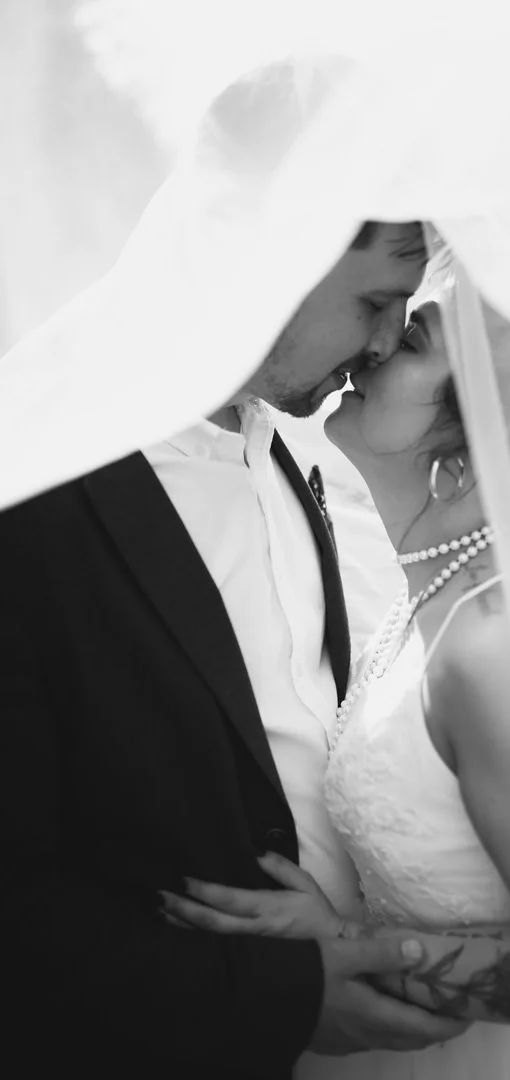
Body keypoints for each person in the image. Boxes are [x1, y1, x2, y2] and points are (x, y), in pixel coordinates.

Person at [0, 222, 474, 1079]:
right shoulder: (30, 481)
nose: (380, 343)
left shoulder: (291, 443)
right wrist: (274, 995)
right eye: (373, 302)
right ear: (266, 248)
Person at [158, 289, 510, 1078]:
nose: (376, 351)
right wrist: (343, 931)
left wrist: (347, 955)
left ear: (476, 435)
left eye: (413, 341)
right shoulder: (441, 593)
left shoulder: (501, 642)